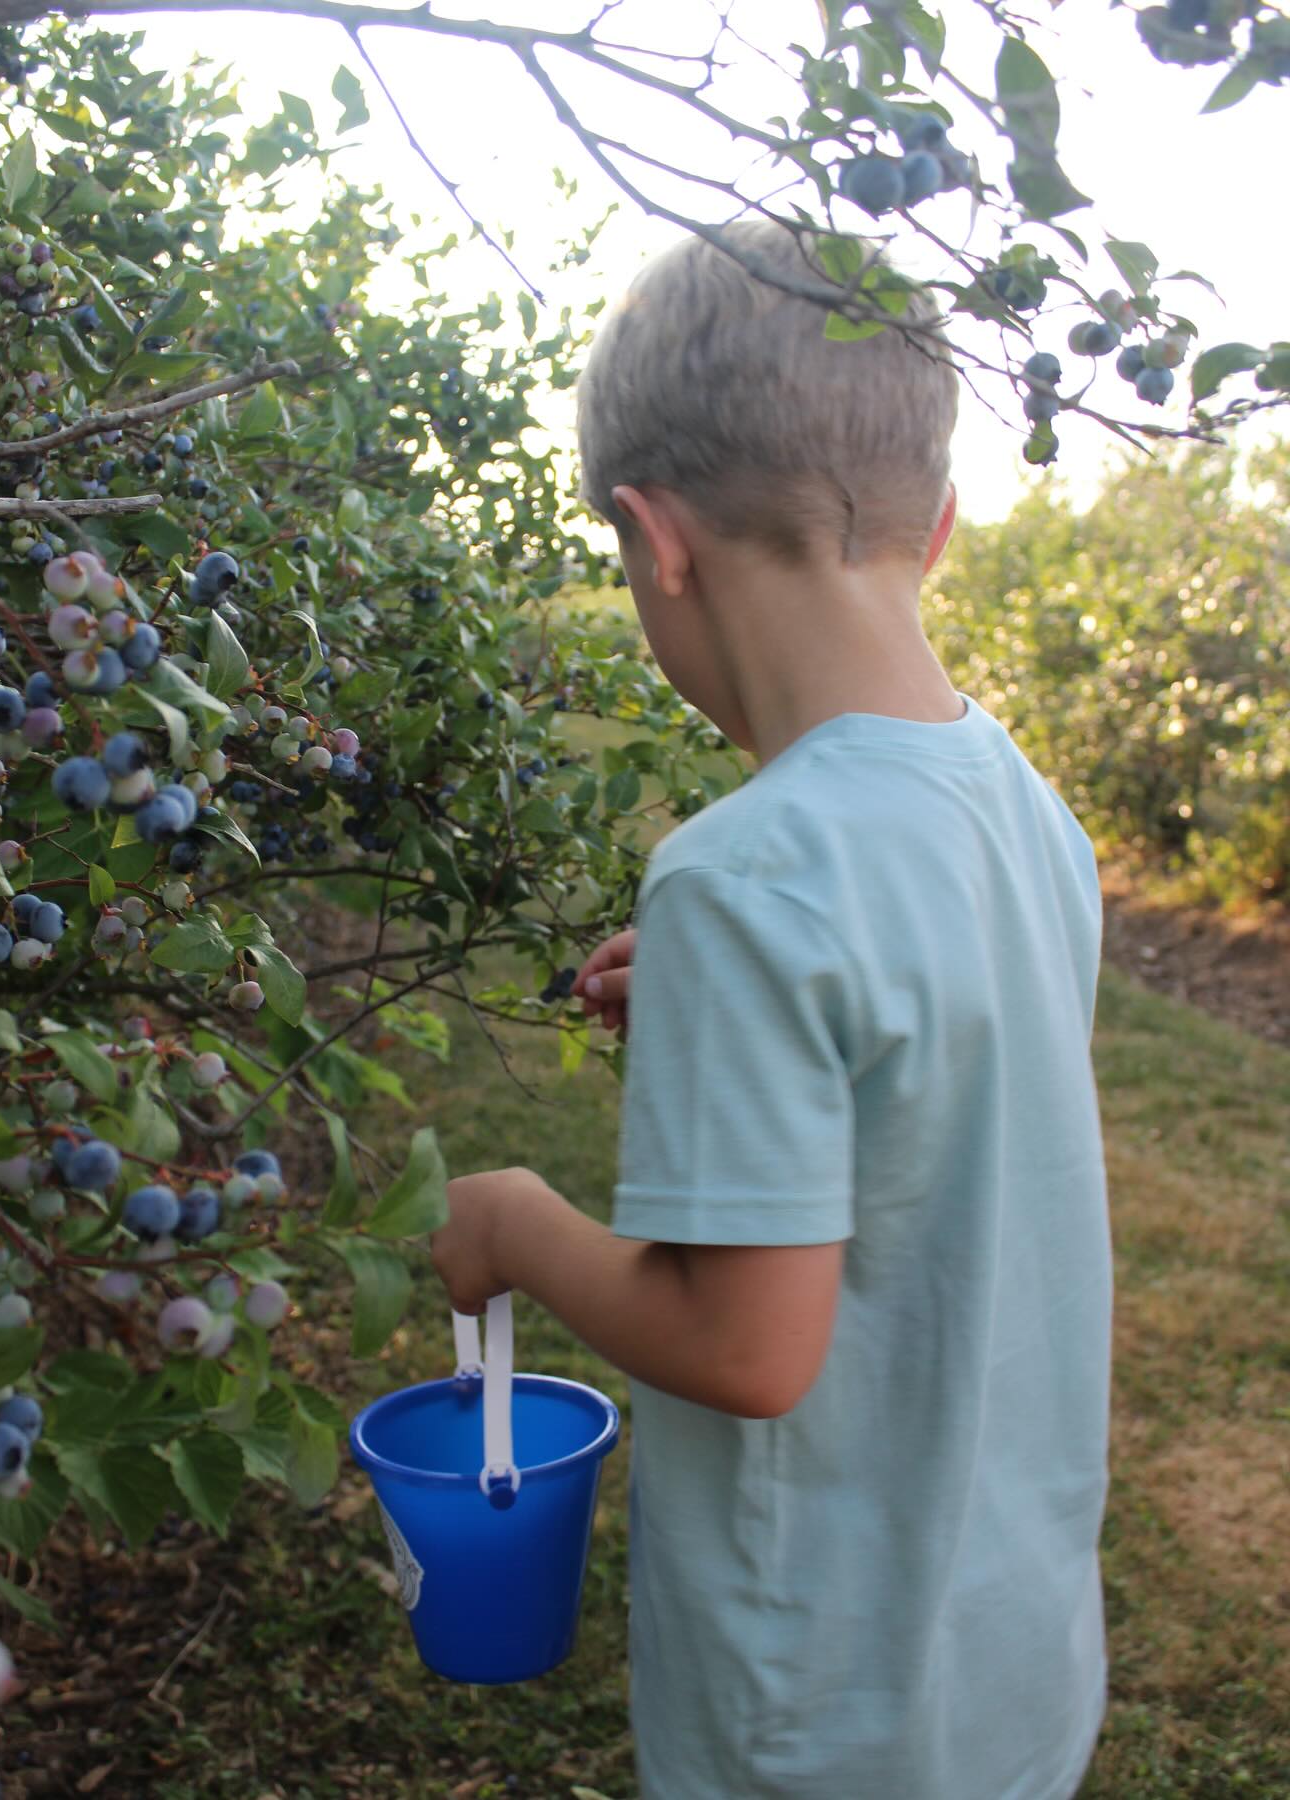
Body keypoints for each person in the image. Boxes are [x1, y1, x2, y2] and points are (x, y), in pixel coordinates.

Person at [430, 218, 1112, 1800]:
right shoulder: (1028, 815)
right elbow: (932, 1081)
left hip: (820, 1712)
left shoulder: (743, 880)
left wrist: (515, 1222)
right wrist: (720, 1010)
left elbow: (745, 1349)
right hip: (1005, 1663)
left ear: (654, 538)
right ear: (938, 527)